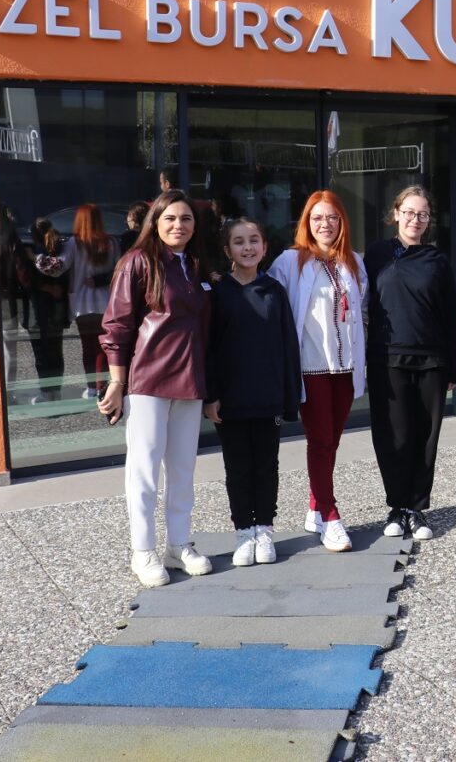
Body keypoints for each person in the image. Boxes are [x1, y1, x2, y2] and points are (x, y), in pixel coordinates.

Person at [99, 189, 213, 588]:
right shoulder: (138, 261)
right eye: (170, 218)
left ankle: (178, 545)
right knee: (144, 470)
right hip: (148, 380)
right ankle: (143, 550)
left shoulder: (196, 265)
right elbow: (117, 326)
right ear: (155, 222)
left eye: (186, 218)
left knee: (183, 470)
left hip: (190, 379)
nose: (178, 225)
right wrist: (117, 381)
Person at [267, 190, 367, 553]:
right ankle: (330, 515)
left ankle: (314, 507)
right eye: (318, 218)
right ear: (307, 223)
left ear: (342, 222)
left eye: (332, 217)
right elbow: (270, 303)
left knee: (333, 441)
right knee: (321, 441)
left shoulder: (353, 261)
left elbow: (363, 308)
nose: (325, 224)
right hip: (311, 366)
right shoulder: (290, 261)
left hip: (346, 367)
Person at [364, 186, 456, 542]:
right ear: (396, 214)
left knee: (425, 437)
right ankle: (396, 506)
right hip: (386, 359)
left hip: (431, 361)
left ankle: (417, 509)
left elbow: (451, 315)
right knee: (393, 436)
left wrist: (455, 367)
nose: (415, 219)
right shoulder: (376, 255)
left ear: (429, 220)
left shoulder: (437, 260)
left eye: (422, 214)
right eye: (408, 212)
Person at [204, 218, 302, 567]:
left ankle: (264, 529)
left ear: (264, 247)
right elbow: (209, 347)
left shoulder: (274, 290)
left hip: (267, 395)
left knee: (267, 466)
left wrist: (290, 397)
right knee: (237, 468)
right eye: (239, 241)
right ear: (227, 249)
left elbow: (288, 345)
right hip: (230, 398)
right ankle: (244, 531)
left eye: (254, 240)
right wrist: (210, 395)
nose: (247, 247)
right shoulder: (218, 292)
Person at [36, 204, 122, 399]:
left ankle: (92, 388)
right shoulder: (112, 243)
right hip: (107, 303)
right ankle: (102, 386)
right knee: (103, 348)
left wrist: (36, 257)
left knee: (88, 347)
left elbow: (56, 268)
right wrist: (101, 280)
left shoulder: (75, 243)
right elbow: (120, 271)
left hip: (82, 304)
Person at [26, 218, 68, 404]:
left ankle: (46, 392)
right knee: (55, 349)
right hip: (57, 305)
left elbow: (27, 280)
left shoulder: (33, 251)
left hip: (39, 307)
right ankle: (56, 391)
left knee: (41, 351)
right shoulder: (60, 247)